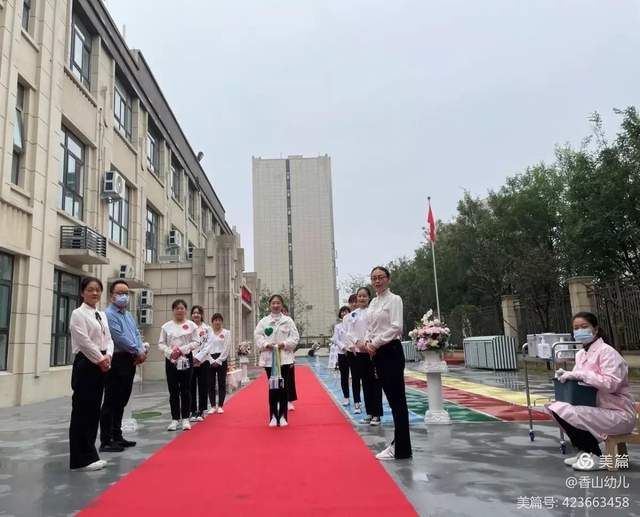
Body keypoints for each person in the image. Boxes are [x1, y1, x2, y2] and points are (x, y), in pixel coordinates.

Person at [547, 312, 637, 471]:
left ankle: (598, 456)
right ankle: (585, 451)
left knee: (567, 412)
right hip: (597, 409)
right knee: (553, 407)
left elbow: (611, 384)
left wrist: (580, 374)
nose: (579, 331)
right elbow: (578, 379)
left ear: (595, 329)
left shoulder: (608, 352)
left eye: (584, 327)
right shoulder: (581, 354)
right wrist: (565, 376)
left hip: (618, 413)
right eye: (576, 328)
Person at [365, 266, 412, 460]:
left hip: (390, 351)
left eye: (381, 277)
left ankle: (401, 448)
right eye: (374, 278)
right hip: (377, 353)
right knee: (392, 400)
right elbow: (370, 327)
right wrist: (368, 341)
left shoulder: (395, 300)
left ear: (388, 279)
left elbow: (396, 328)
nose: (377, 281)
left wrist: (374, 343)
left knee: (397, 402)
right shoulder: (373, 302)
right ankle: (400, 446)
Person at [69, 277, 114, 471]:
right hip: (87, 363)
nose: (94, 293)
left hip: (102, 362)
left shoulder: (101, 315)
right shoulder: (77, 314)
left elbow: (109, 338)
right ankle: (80, 459)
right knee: (82, 411)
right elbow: (84, 341)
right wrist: (100, 359)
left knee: (94, 409)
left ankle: (90, 454)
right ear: (82, 292)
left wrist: (109, 355)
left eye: (97, 290)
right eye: (90, 290)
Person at [99, 280, 147, 453]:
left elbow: (136, 333)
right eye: (120, 293)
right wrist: (137, 351)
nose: (124, 296)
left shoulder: (128, 315)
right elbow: (119, 338)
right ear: (112, 296)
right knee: (111, 400)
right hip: (117, 359)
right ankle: (106, 439)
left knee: (122, 400)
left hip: (130, 359)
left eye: (126, 293)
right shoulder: (108, 315)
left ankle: (117, 435)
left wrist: (140, 350)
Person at [255, 294, 299, 427]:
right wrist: (266, 344)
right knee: (273, 387)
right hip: (269, 359)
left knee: (283, 387)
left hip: (284, 359)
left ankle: (283, 416)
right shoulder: (264, 322)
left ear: (281, 305)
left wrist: (283, 344)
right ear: (270, 305)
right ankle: (273, 416)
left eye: (278, 303)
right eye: (273, 303)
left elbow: (295, 337)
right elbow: (258, 336)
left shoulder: (288, 321)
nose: (275, 305)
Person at [158, 299, 198, 431]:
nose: (180, 310)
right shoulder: (166, 326)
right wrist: (171, 352)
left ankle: (186, 418)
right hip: (171, 361)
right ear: (173, 310)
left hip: (186, 359)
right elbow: (161, 343)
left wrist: (182, 350)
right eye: (177, 308)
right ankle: (175, 419)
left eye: (182, 308)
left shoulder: (192, 325)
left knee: (186, 389)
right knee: (173, 390)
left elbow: (196, 342)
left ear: (186, 310)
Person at [345, 287, 383, 426]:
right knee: (365, 383)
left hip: (372, 351)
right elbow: (349, 332)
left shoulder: (373, 313)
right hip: (360, 352)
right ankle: (369, 413)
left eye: (364, 296)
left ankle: (377, 414)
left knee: (375, 383)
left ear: (369, 297)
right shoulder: (353, 315)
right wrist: (358, 343)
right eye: (359, 296)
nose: (361, 299)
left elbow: (375, 329)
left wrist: (369, 343)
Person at [190, 305, 213, 422]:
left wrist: (198, 357)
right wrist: (192, 357)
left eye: (198, 313)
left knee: (203, 386)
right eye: (194, 313)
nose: (196, 315)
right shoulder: (188, 327)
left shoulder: (207, 329)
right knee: (191, 386)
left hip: (204, 361)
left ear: (202, 315)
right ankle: (193, 410)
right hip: (190, 361)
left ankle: (202, 410)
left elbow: (209, 345)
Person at [207, 313, 231, 414]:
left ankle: (220, 405)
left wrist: (219, 360)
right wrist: (211, 360)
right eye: (215, 320)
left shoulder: (226, 333)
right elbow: (205, 347)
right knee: (210, 383)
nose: (217, 322)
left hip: (222, 359)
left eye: (219, 320)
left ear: (222, 321)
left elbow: (227, 348)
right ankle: (212, 406)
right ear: (212, 322)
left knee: (221, 383)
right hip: (210, 359)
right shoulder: (208, 333)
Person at [344, 294, 363, 414]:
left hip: (365, 349)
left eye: (355, 302)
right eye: (352, 302)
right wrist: (352, 347)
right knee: (355, 377)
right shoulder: (347, 317)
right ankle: (357, 402)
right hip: (352, 351)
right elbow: (346, 334)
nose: (354, 304)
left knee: (366, 378)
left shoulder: (365, 314)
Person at [332, 305, 352, 406]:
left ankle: (358, 399)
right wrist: (344, 348)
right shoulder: (337, 327)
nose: (344, 313)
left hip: (353, 352)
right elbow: (336, 339)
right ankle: (346, 397)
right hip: (342, 353)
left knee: (356, 376)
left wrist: (351, 347)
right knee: (344, 376)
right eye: (342, 312)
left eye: (346, 311)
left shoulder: (353, 324)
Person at [282, 304, 298, 411]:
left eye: (284, 311)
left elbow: (294, 339)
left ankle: (289, 401)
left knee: (289, 380)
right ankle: (278, 401)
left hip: (287, 354)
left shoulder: (289, 322)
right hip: (275, 356)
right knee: (277, 380)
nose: (282, 313)